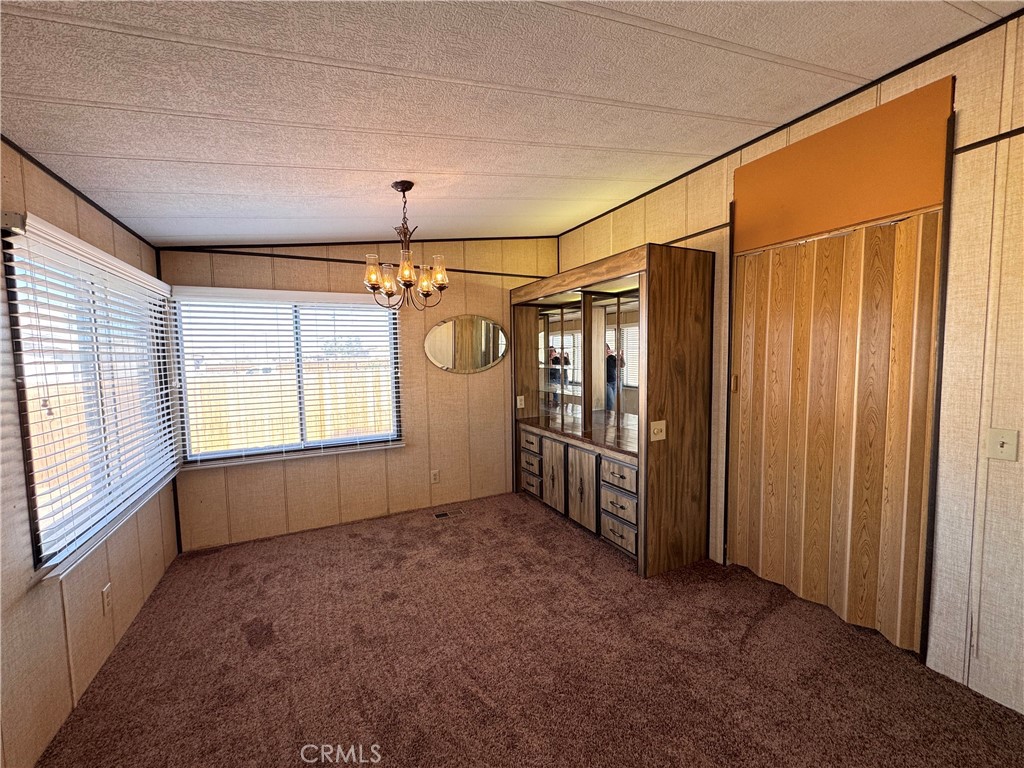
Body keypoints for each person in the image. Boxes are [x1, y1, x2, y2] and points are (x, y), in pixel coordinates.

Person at [605, 343, 624, 410]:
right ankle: (608, 419)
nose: (606, 350)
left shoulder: (612, 357)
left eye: (607, 348)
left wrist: (621, 357)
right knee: (610, 402)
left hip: (615, 382)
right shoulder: (600, 359)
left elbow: (622, 365)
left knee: (612, 402)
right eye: (605, 348)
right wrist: (605, 356)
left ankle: (608, 418)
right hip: (606, 384)